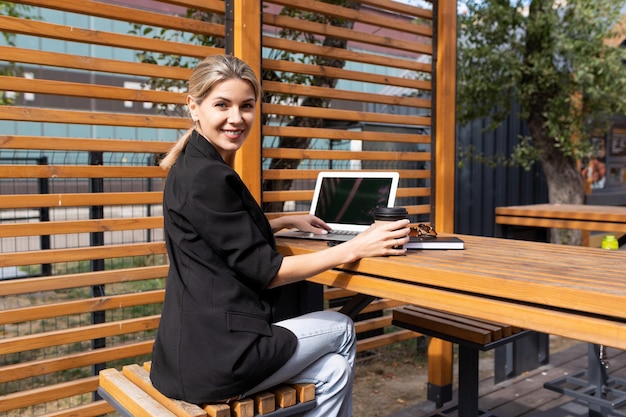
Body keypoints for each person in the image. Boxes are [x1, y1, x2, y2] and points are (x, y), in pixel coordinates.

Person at [149, 54, 411, 417]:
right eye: (222, 105)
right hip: (220, 358)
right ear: (193, 107)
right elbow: (267, 272)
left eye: (247, 106)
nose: (236, 118)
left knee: (333, 371)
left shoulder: (190, 165)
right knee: (342, 326)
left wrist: (281, 220)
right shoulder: (209, 175)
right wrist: (356, 246)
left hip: (184, 355)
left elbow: (214, 230)